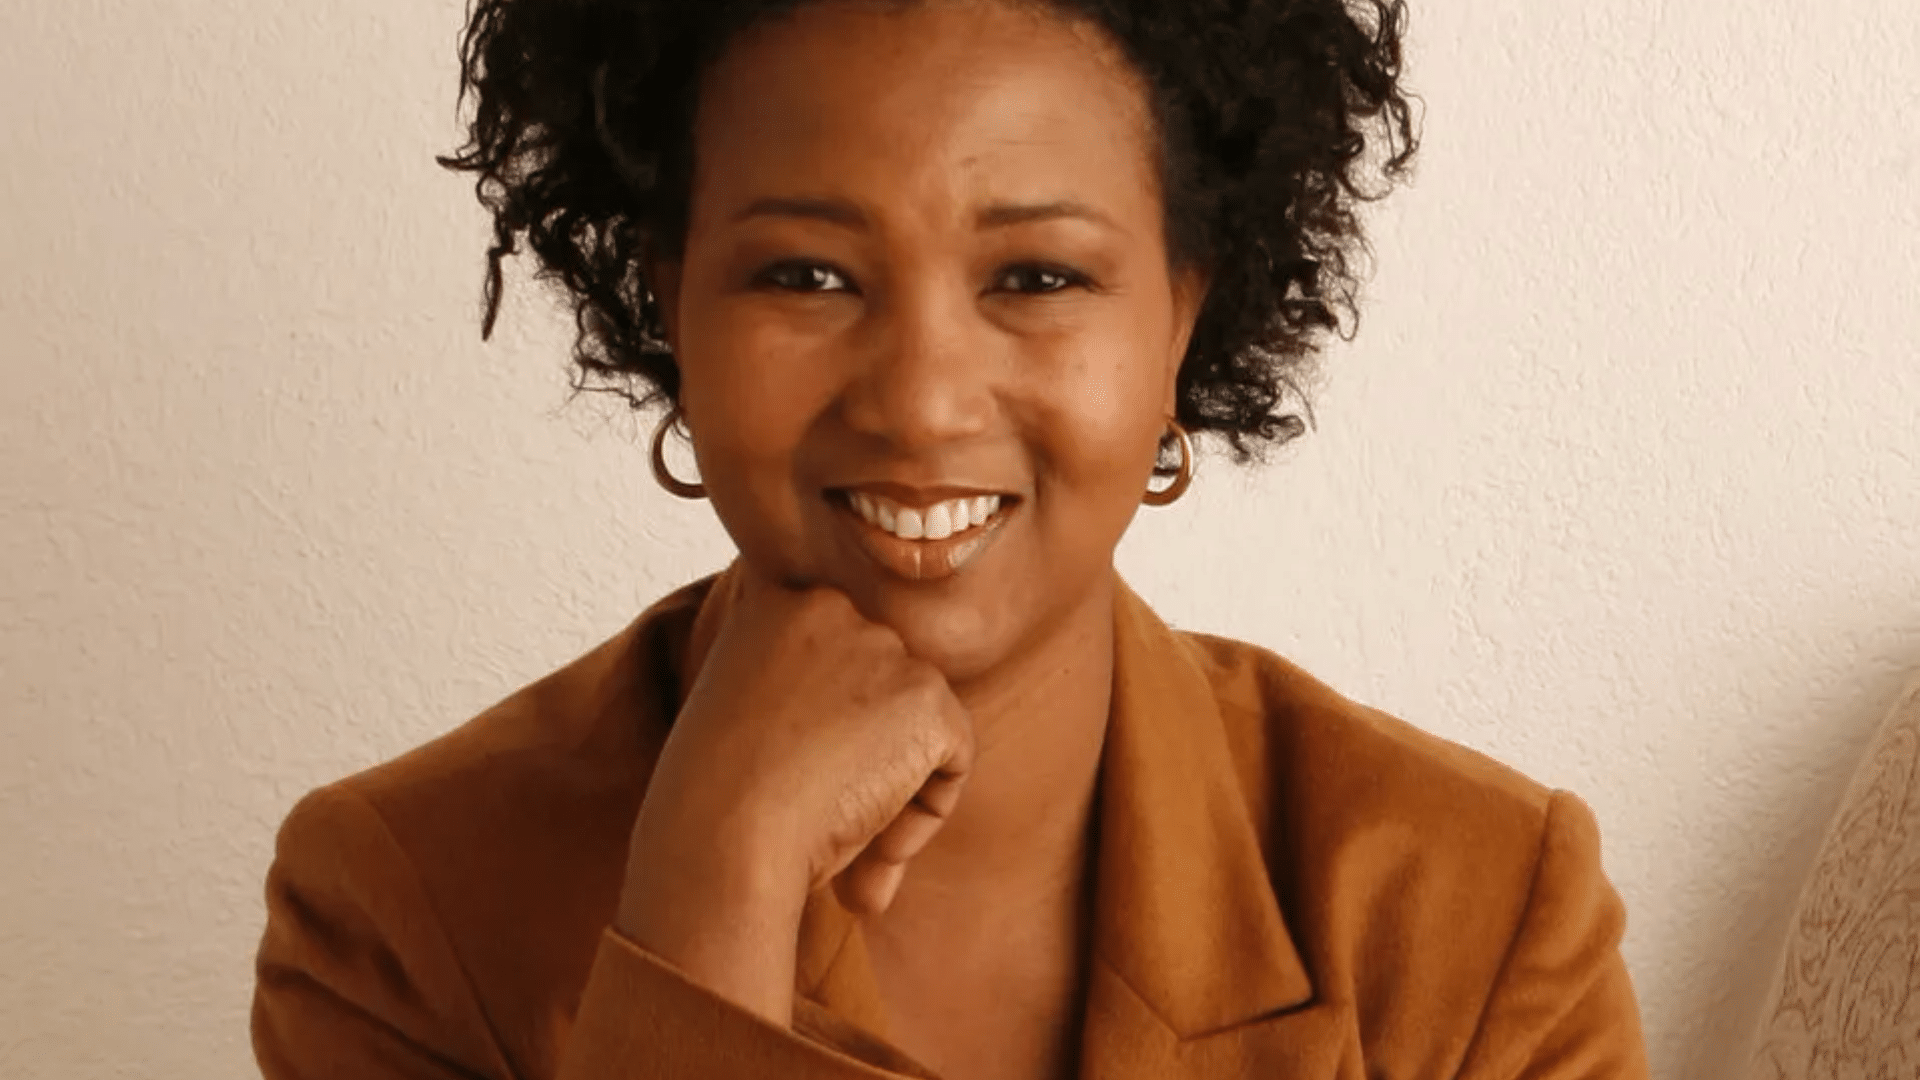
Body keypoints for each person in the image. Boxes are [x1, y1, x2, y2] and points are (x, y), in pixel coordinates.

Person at [251, 0, 1651, 1076]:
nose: (921, 404)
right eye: (806, 273)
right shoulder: (404, 906)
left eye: (1036, 276)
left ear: (1180, 317)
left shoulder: (1471, 916)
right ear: (669, 305)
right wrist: (708, 901)